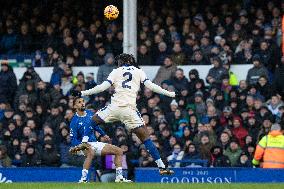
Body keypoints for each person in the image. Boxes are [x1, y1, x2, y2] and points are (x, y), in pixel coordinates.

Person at [80, 53, 175, 175]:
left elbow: (102, 87)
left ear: (120, 62)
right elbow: (151, 86)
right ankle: (162, 167)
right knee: (146, 139)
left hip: (114, 108)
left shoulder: (116, 71)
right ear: (130, 61)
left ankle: (84, 143)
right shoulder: (138, 71)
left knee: (91, 121)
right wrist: (169, 93)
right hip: (129, 110)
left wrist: (83, 93)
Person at [69, 97, 132, 183]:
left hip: (94, 143)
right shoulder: (74, 121)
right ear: (75, 106)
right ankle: (83, 179)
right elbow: (73, 139)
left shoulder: (89, 113)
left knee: (119, 151)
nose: (82, 103)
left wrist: (103, 134)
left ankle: (119, 178)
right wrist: (81, 145)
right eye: (79, 102)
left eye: (83, 101)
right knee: (90, 152)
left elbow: (95, 126)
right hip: (81, 145)